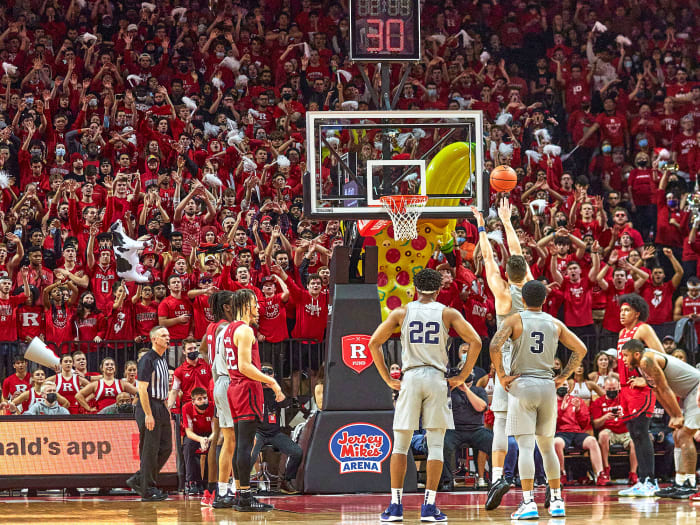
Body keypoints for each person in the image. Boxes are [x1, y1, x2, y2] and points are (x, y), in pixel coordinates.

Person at [368, 268, 482, 523]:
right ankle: (429, 506)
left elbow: (374, 343)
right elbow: (475, 341)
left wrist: (388, 378)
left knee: (400, 445)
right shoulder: (447, 312)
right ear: (439, 290)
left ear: (414, 290)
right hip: (436, 378)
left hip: (410, 377)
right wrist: (462, 376)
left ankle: (395, 506)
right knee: (437, 446)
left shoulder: (401, 312)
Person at [490, 280, 587, 519]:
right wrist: (563, 377)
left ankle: (528, 503)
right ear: (544, 300)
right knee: (547, 447)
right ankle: (556, 500)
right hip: (546, 386)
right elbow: (581, 349)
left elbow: (494, 345)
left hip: (522, 384)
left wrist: (501, 375)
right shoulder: (554, 323)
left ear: (522, 299)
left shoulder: (514, 320)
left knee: (525, 447)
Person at [473, 200, 532, 512]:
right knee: (528, 432)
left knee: (499, 424)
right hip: (532, 361)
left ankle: (497, 476)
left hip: (506, 362)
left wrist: (482, 225)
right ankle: (538, 489)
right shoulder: (532, 289)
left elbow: (487, 257)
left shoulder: (501, 291)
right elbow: (516, 251)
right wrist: (507, 222)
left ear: (506, 273)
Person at [223, 288, 285, 512]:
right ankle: (246, 497)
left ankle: (241, 494)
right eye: (255, 303)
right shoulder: (246, 330)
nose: (258, 307)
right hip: (246, 388)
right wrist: (272, 382)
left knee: (241, 444)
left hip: (234, 388)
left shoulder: (228, 330)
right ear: (245, 305)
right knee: (245, 446)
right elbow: (244, 366)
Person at [620, 340, 700, 499]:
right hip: (687, 393)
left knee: (684, 435)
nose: (623, 360)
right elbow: (656, 391)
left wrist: (677, 415)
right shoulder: (641, 366)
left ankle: (691, 484)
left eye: (625, 356)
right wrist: (672, 414)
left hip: (696, 389)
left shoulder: (646, 360)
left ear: (636, 354)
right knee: (677, 436)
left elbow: (665, 388)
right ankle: (680, 482)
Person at [615, 294, 665, 497]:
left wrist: (647, 380)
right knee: (634, 435)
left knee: (642, 433)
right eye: (620, 311)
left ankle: (651, 481)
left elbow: (661, 355)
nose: (622, 314)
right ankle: (642, 480)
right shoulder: (621, 332)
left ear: (637, 312)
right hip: (625, 389)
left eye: (626, 310)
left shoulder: (643, 329)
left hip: (641, 388)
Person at [127, 326, 173, 501]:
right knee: (150, 450)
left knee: (166, 447)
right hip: (148, 406)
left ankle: (139, 479)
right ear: (154, 339)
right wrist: (148, 414)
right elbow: (142, 389)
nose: (167, 338)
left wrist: (166, 407)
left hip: (160, 405)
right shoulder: (147, 360)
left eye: (168, 335)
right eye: (163, 335)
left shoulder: (163, 359)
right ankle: (147, 489)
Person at [200, 290, 236, 508]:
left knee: (217, 437)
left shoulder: (211, 327)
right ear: (227, 307)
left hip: (216, 382)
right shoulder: (225, 327)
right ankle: (226, 487)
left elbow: (204, 350)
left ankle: (211, 489)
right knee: (228, 437)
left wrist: (213, 365)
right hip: (227, 382)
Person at [251, 363, 303, 494]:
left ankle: (286, 481)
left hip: (274, 433)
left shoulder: (277, 390)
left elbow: (286, 404)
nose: (267, 375)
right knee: (250, 454)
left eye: (270, 372)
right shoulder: (254, 389)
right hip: (258, 432)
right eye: (263, 372)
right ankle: (242, 486)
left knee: (297, 452)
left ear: (274, 375)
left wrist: (275, 389)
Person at [441, 370, 492, 491]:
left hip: (476, 430)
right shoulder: (449, 393)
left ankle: (494, 479)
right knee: (443, 444)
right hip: (455, 430)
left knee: (493, 442)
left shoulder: (479, 390)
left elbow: (480, 407)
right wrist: (453, 387)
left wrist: (466, 390)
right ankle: (447, 481)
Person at [590, 376, 638, 486]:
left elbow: (634, 417)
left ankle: (633, 473)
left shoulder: (625, 399)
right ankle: (606, 469)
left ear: (618, 387)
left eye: (614, 389)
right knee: (603, 435)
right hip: (609, 431)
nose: (612, 391)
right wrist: (605, 417)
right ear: (604, 388)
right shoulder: (598, 402)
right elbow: (595, 424)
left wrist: (625, 416)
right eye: (609, 389)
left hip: (625, 431)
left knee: (635, 440)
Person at [181, 387, 216, 495]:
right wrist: (200, 439)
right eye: (199, 399)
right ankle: (192, 482)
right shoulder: (187, 408)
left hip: (210, 435)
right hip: (195, 435)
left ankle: (209, 482)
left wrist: (207, 440)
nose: (203, 400)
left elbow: (216, 431)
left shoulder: (213, 406)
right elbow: (189, 432)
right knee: (188, 446)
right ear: (193, 401)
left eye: (204, 398)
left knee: (215, 446)